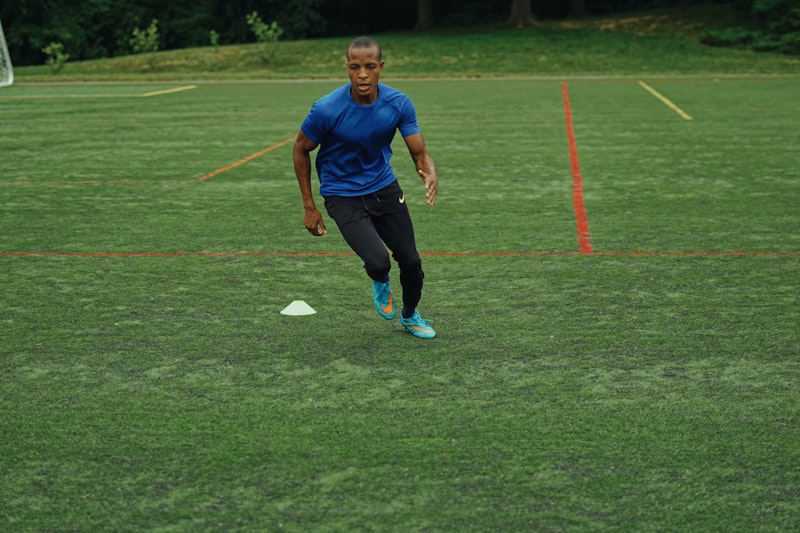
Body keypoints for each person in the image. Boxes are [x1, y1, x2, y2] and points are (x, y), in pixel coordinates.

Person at [292, 36, 439, 339]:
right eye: (355, 67)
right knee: (378, 260)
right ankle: (380, 279)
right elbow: (300, 149)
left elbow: (419, 152)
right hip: (341, 192)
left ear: (380, 68)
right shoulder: (326, 109)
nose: (362, 74)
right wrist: (309, 205)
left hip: (383, 186)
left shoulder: (397, 103)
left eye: (369, 67)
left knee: (411, 261)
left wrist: (428, 171)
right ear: (347, 68)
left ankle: (411, 315)